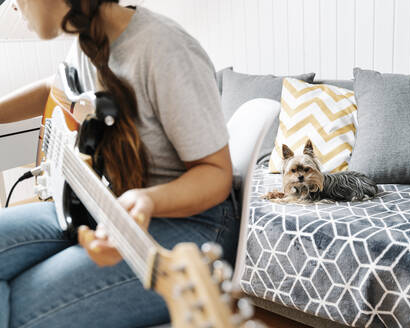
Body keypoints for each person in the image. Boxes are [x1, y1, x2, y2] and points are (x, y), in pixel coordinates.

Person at [0, 1, 239, 327]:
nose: (12, 5)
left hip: (194, 224)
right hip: (104, 201)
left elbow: (216, 174)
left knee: (22, 310)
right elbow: (53, 88)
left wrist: (149, 199)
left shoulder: (164, 48)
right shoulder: (88, 39)